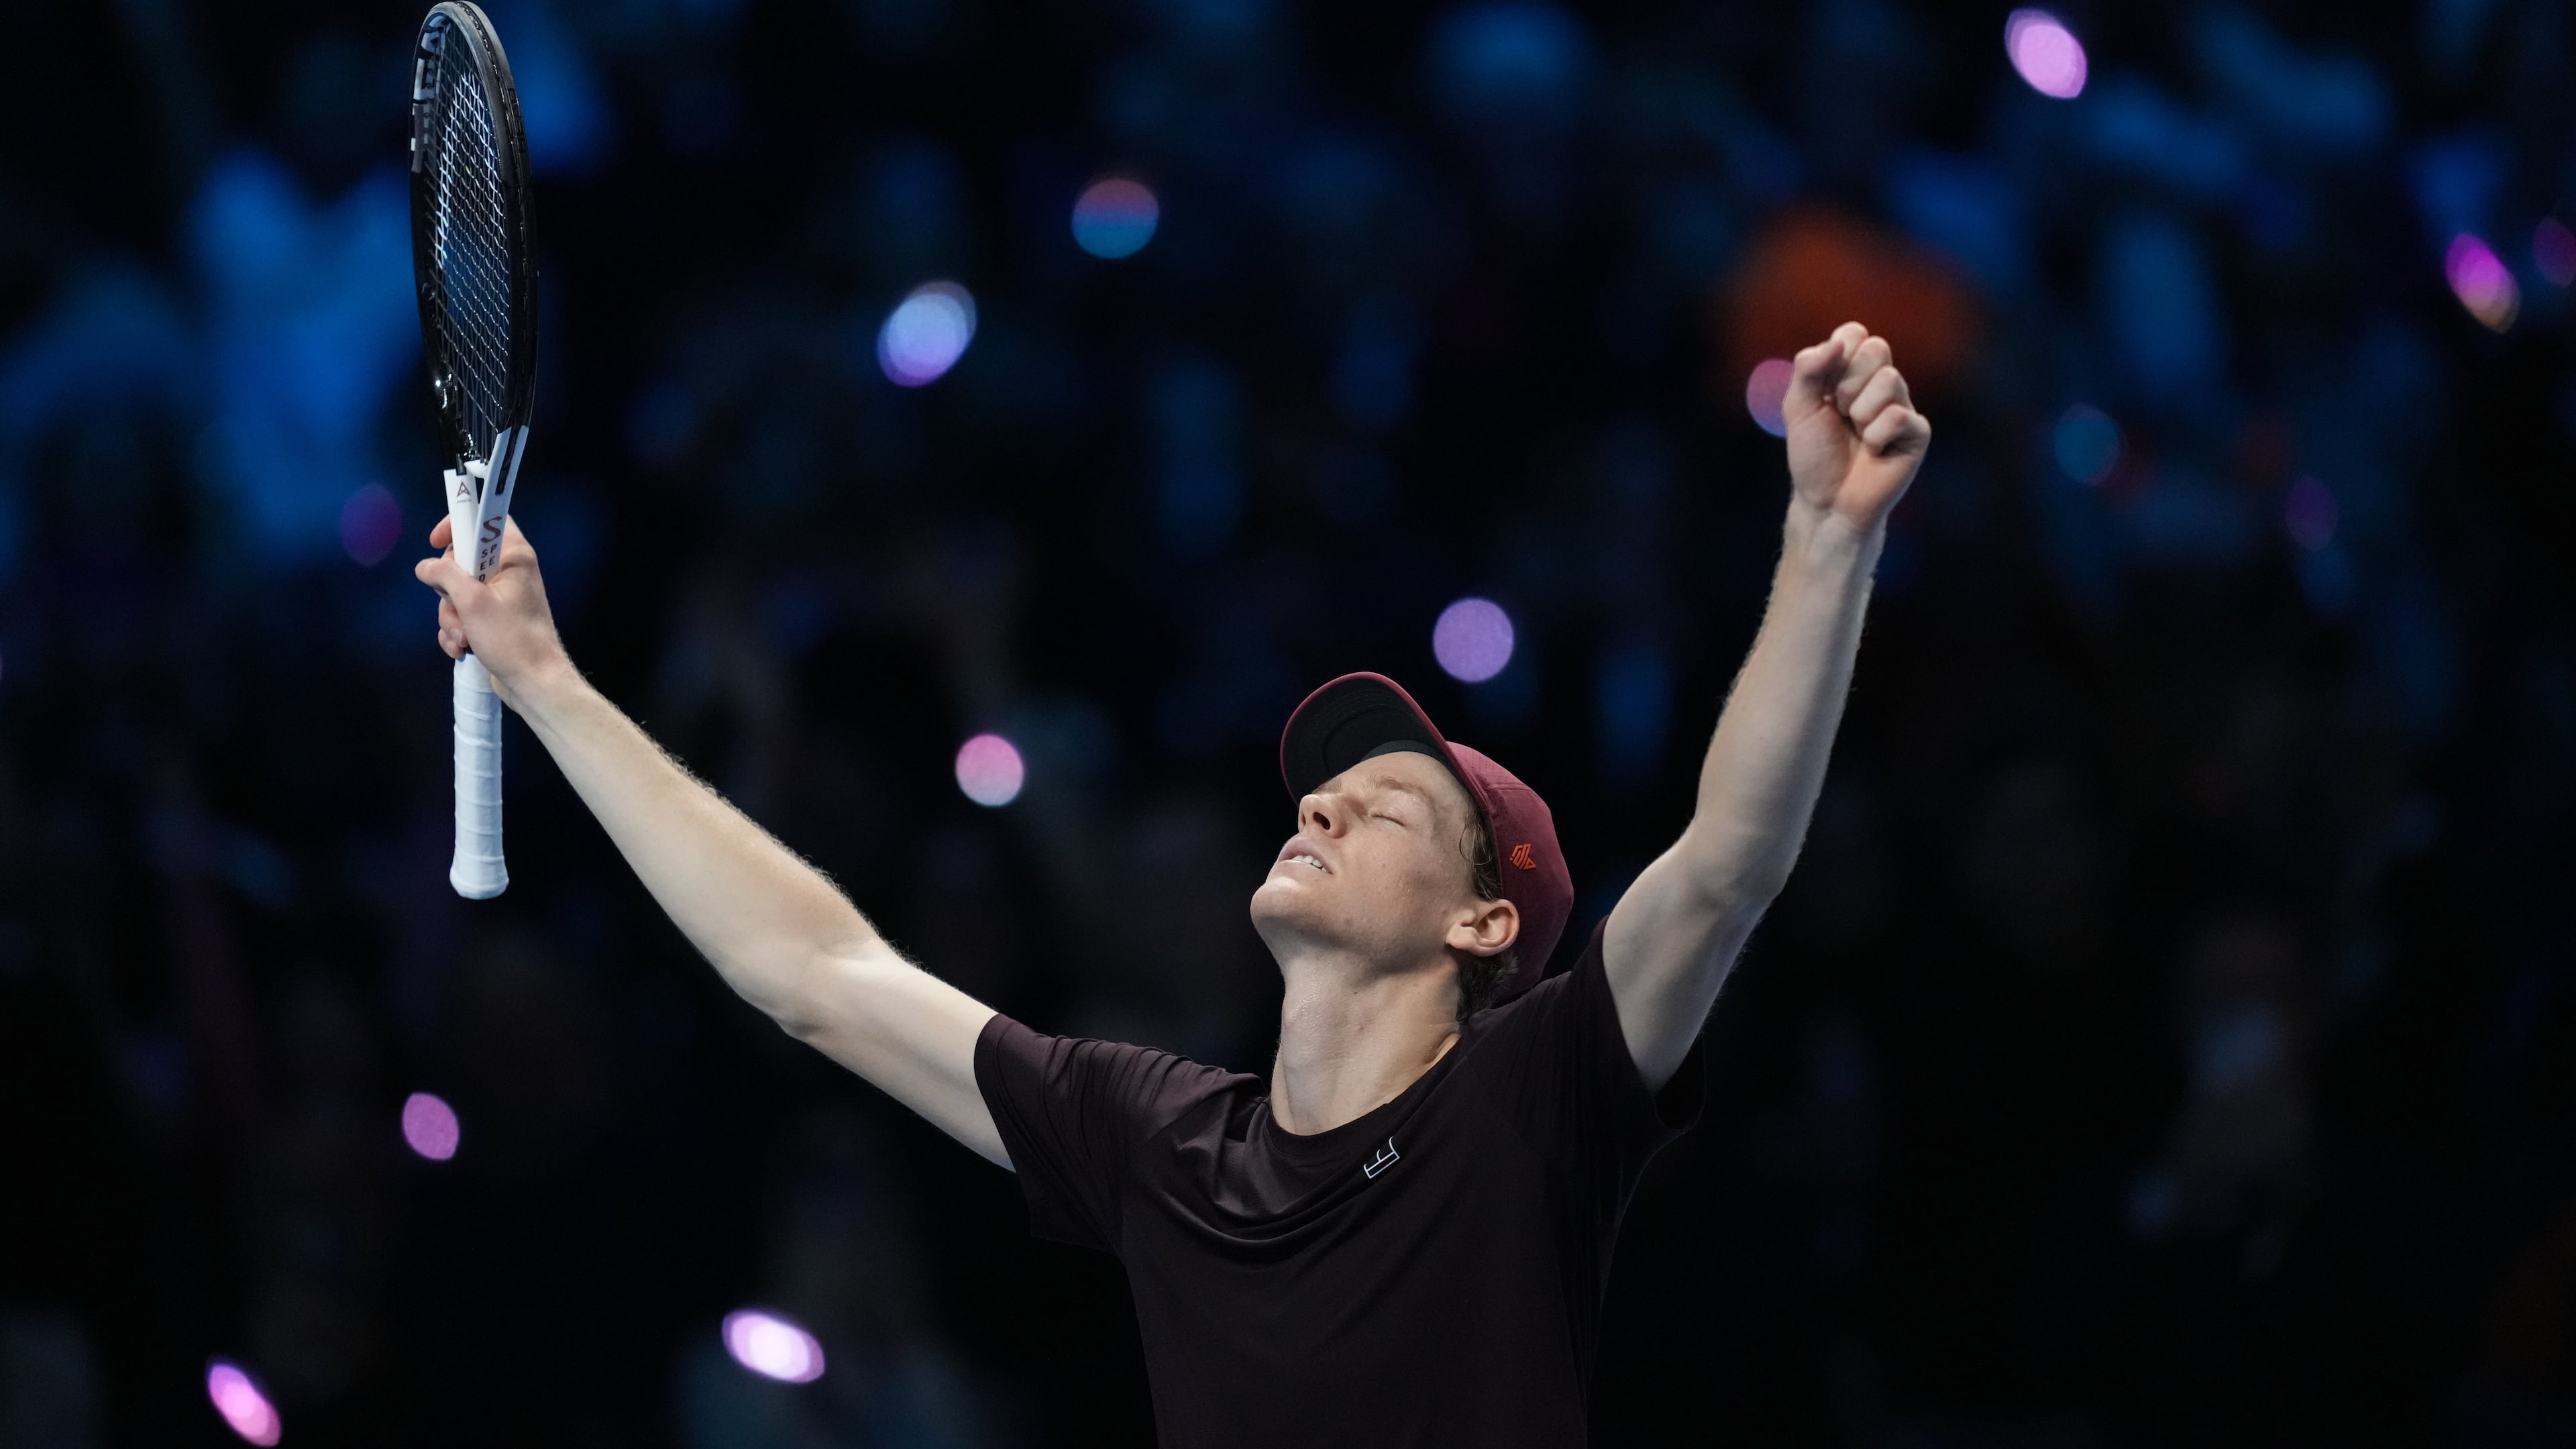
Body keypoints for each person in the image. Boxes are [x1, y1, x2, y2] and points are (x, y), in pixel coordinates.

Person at [414, 323, 1931, 1446]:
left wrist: (1826, 534)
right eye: (1325, 788)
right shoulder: (1157, 1142)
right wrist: (549, 682)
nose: (1323, 802)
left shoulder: (1532, 1098)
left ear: (1485, 926)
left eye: (1390, 804)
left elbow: (1727, 864)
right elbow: (813, 974)